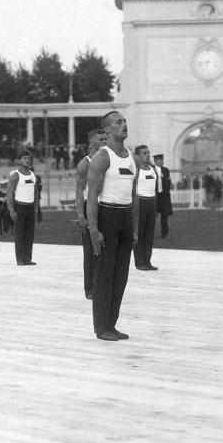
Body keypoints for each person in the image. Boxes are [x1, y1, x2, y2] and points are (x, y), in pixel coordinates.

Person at [85, 111, 137, 341]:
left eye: (125, 121)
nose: (124, 125)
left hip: (125, 216)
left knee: (121, 275)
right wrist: (94, 230)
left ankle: (112, 324)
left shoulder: (131, 157)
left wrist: (133, 228)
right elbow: (93, 196)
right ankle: (101, 327)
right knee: (105, 274)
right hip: (107, 215)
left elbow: (133, 196)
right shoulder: (103, 157)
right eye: (119, 122)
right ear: (108, 130)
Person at [76, 129, 107, 300]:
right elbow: (79, 192)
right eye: (100, 139)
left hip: (106, 206)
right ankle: (90, 288)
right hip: (90, 207)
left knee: (105, 248)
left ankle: (102, 285)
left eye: (105, 138)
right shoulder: (85, 163)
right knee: (90, 250)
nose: (104, 140)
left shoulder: (107, 160)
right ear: (92, 143)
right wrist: (81, 215)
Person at [7, 151, 39, 265]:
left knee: (29, 234)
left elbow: (35, 193)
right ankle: (20, 259)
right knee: (20, 234)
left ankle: (28, 258)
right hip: (19, 207)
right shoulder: (15, 175)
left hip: (30, 207)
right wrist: (11, 210)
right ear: (20, 160)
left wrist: (36, 208)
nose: (27, 160)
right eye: (25, 158)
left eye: (29, 158)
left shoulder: (32, 174)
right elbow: (9, 194)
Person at [132, 145, 159, 271]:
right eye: (144, 153)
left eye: (148, 153)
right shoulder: (135, 170)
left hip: (151, 202)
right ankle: (139, 262)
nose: (147, 155)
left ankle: (147, 261)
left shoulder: (153, 170)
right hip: (140, 202)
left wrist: (155, 206)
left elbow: (155, 189)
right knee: (140, 233)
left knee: (149, 234)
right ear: (137, 156)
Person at [153, 154, 173, 238]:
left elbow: (168, 183)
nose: (160, 161)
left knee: (164, 216)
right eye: (158, 160)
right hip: (155, 196)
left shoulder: (166, 170)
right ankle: (149, 233)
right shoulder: (151, 170)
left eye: (161, 159)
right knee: (152, 216)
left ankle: (164, 234)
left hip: (164, 196)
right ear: (155, 161)